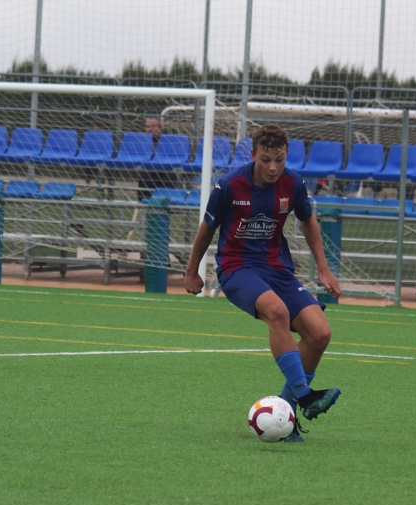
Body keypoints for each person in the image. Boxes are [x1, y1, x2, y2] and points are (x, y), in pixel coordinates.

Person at [183, 124, 343, 442]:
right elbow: (206, 228)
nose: (273, 167)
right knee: (277, 311)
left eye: (279, 160)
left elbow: (308, 219)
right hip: (237, 268)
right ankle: (304, 396)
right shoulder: (230, 185)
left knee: (320, 332)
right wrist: (192, 271)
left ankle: (287, 417)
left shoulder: (292, 184)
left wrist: (323, 268)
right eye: (266, 159)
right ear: (254, 155)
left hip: (277, 269)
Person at [138, 115, 178, 201]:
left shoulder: (169, 141)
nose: (149, 130)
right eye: (147, 127)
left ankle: (165, 202)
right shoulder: (143, 142)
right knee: (146, 174)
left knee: (169, 175)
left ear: (160, 128)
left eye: (152, 126)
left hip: (165, 173)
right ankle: (144, 202)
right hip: (149, 174)